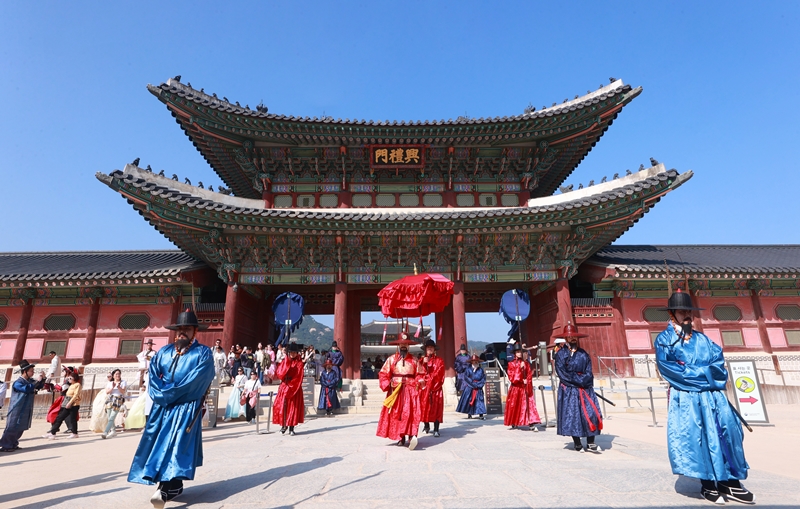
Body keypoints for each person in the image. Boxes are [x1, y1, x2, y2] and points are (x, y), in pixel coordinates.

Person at [654, 290, 753, 504]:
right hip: (687, 397)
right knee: (697, 437)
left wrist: (699, 373)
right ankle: (708, 483)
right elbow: (670, 370)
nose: (687, 315)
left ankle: (730, 481)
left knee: (728, 432)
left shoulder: (703, 339)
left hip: (714, 396)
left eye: (689, 310)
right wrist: (704, 374)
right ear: (672, 313)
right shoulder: (664, 340)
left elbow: (718, 365)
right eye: (682, 311)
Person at [128, 309, 215, 508]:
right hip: (162, 407)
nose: (182, 332)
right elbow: (153, 378)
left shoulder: (203, 353)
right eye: (180, 329)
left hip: (186, 406)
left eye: (187, 329)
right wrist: (164, 395)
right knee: (157, 443)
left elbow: (197, 381)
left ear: (195, 331)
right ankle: (164, 484)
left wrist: (172, 393)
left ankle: (169, 486)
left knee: (176, 444)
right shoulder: (164, 352)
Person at [554, 323, 602, 452]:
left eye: (574, 336)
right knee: (573, 415)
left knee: (591, 413)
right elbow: (562, 373)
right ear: (566, 338)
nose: (572, 339)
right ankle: (577, 442)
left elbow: (588, 372)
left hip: (585, 387)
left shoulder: (583, 354)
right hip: (569, 389)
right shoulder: (560, 354)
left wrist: (582, 381)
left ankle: (591, 441)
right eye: (569, 337)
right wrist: (576, 381)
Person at [376, 333, 421, 450]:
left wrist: (418, 381)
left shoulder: (415, 360)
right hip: (396, 390)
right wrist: (388, 383)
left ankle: (412, 436)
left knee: (411, 413)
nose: (403, 346)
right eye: (402, 344)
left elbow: (421, 374)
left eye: (406, 344)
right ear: (398, 345)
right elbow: (383, 374)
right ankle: (400, 437)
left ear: (408, 346)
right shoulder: (391, 360)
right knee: (398, 413)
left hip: (410, 390)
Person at [0, 360, 45, 452]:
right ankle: (6, 445)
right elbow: (26, 389)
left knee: (21, 426)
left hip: (26, 407)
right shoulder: (18, 382)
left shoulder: (30, 381)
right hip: (17, 408)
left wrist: (43, 379)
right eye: (31, 371)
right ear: (25, 371)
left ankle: (13, 443)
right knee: (12, 426)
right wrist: (37, 382)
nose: (33, 373)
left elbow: (38, 386)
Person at [504, 344, 540, 431]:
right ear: (515, 353)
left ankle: (531, 422)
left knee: (528, 405)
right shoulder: (511, 364)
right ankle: (514, 421)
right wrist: (519, 369)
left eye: (520, 352)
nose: (519, 353)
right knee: (515, 405)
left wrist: (527, 381)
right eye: (517, 352)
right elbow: (512, 377)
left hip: (524, 387)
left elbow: (529, 375)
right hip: (516, 388)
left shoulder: (526, 363)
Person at [273, 342, 305, 435]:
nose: (293, 354)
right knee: (283, 406)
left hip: (295, 387)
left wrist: (292, 386)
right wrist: (286, 363)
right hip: (284, 386)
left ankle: (291, 427)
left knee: (293, 408)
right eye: (291, 352)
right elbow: (279, 373)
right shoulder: (285, 361)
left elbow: (299, 376)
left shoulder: (299, 363)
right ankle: (284, 426)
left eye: (294, 352)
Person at [43, 371, 82, 439]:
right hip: (66, 401)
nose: (69, 379)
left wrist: (70, 403)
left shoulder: (77, 385)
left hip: (73, 404)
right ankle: (53, 432)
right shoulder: (71, 385)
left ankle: (74, 433)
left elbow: (76, 395)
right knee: (60, 417)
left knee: (72, 419)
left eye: (70, 378)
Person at [418, 339, 445, 437]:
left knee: (436, 408)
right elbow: (418, 373)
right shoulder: (421, 361)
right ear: (425, 349)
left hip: (435, 388)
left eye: (431, 347)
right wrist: (423, 363)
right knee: (425, 408)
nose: (429, 349)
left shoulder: (439, 361)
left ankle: (436, 428)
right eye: (428, 348)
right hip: (425, 388)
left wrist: (431, 381)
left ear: (434, 349)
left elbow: (440, 374)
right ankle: (426, 426)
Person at [456, 355, 486, 419]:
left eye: (476, 361)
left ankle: (481, 414)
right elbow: (466, 378)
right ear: (471, 362)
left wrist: (478, 385)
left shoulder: (481, 370)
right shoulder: (468, 369)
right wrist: (472, 384)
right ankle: (469, 414)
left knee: (479, 401)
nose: (475, 362)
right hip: (470, 387)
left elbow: (483, 378)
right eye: (473, 361)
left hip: (478, 388)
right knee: (469, 400)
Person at [101, 369, 128, 439]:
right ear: (113, 375)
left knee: (112, 417)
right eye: (116, 374)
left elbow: (123, 391)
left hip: (118, 400)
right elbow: (107, 392)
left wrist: (118, 386)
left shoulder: (123, 382)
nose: (118, 375)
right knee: (109, 416)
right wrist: (113, 387)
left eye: (119, 374)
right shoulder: (110, 383)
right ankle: (113, 431)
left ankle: (106, 432)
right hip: (110, 399)